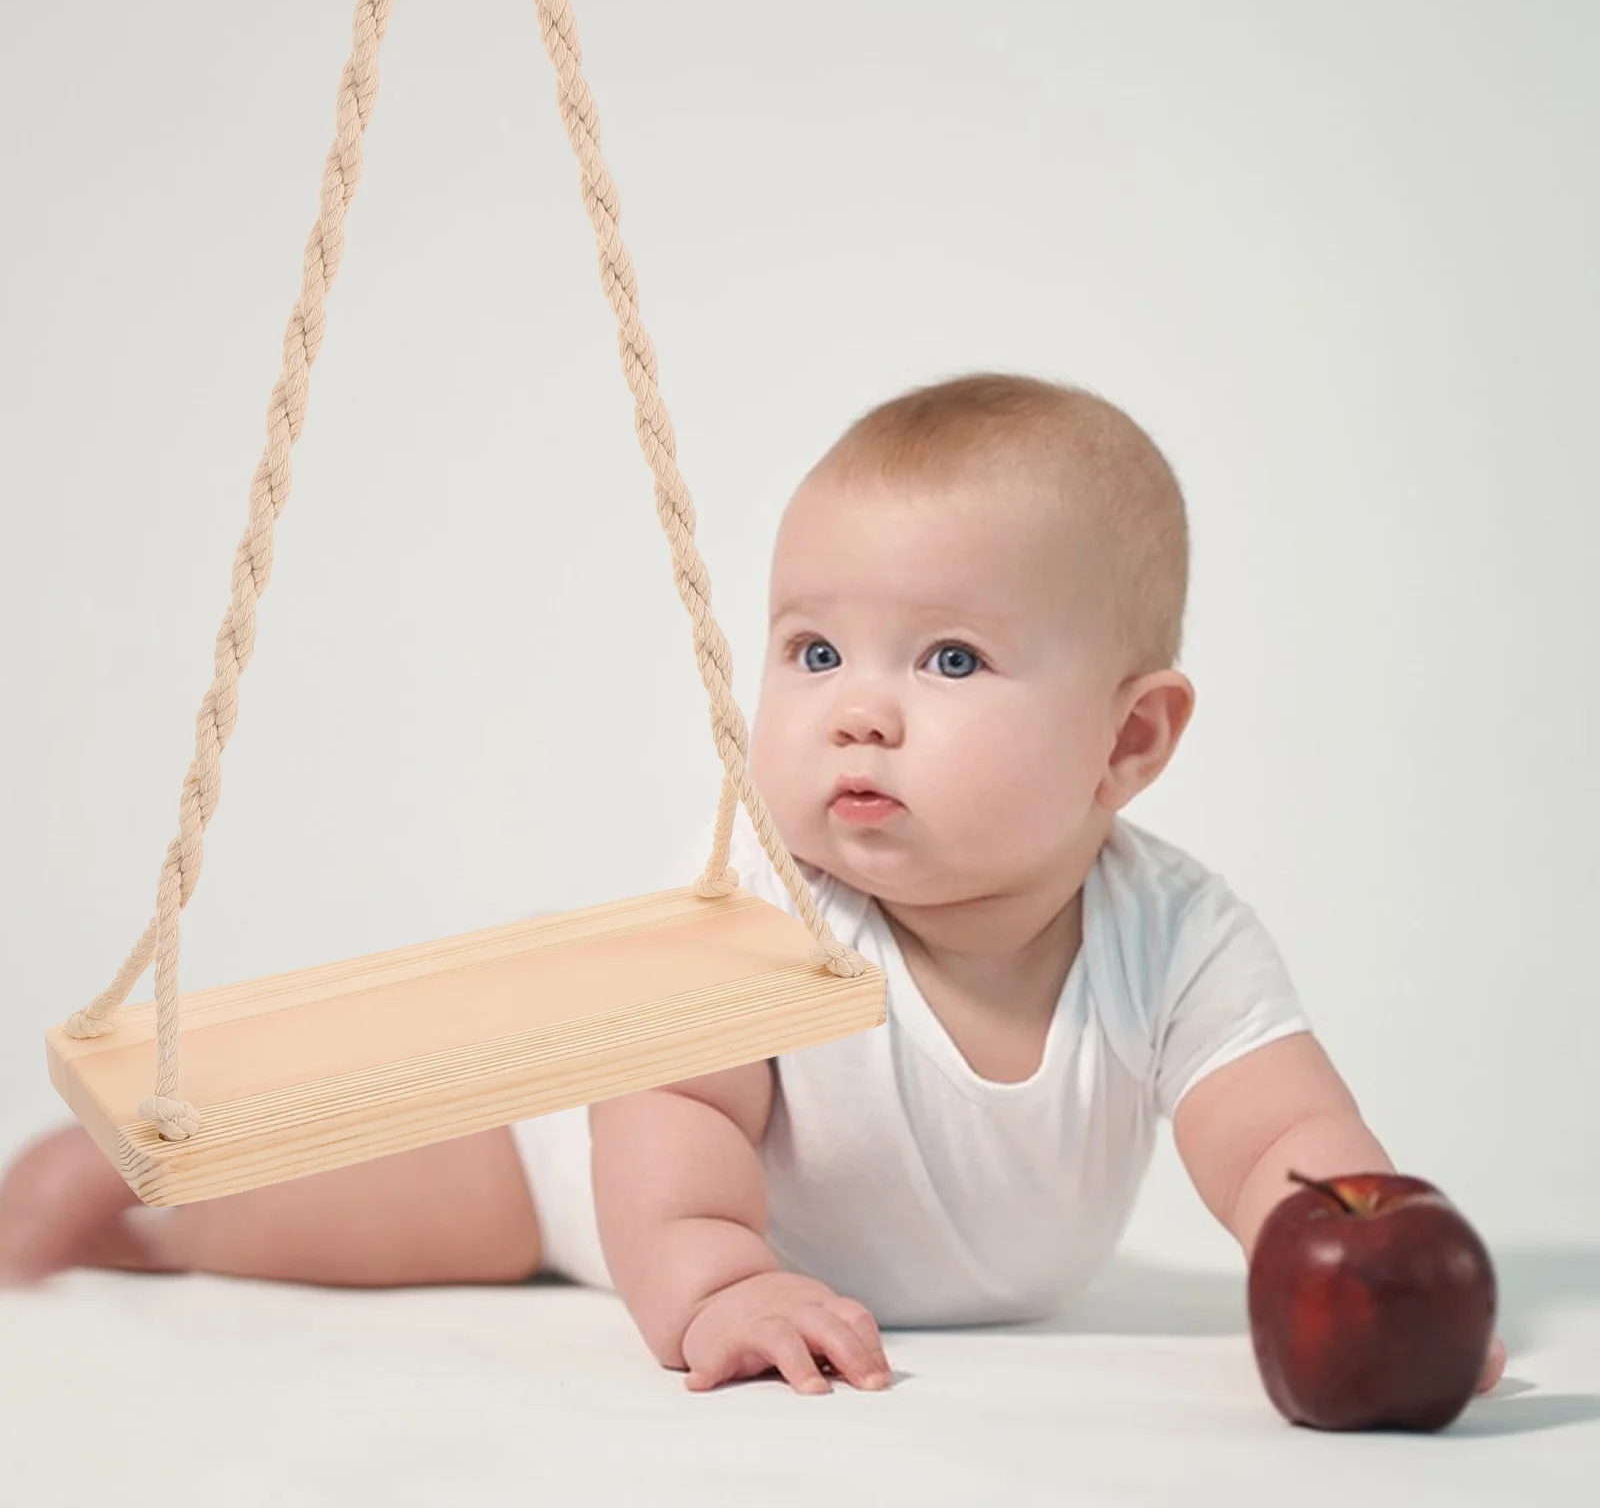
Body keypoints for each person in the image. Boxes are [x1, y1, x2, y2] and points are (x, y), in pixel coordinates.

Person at [0, 372, 1505, 1400]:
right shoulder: (763, 897)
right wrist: (718, 1281)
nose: (859, 707)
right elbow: (668, 1112)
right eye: (815, 649)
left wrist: (1382, 1299)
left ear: (1129, 738)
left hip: (737, 1224)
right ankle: (136, 1203)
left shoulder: (1178, 942)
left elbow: (1284, 1148)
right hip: (586, 1194)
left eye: (952, 659)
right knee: (366, 1211)